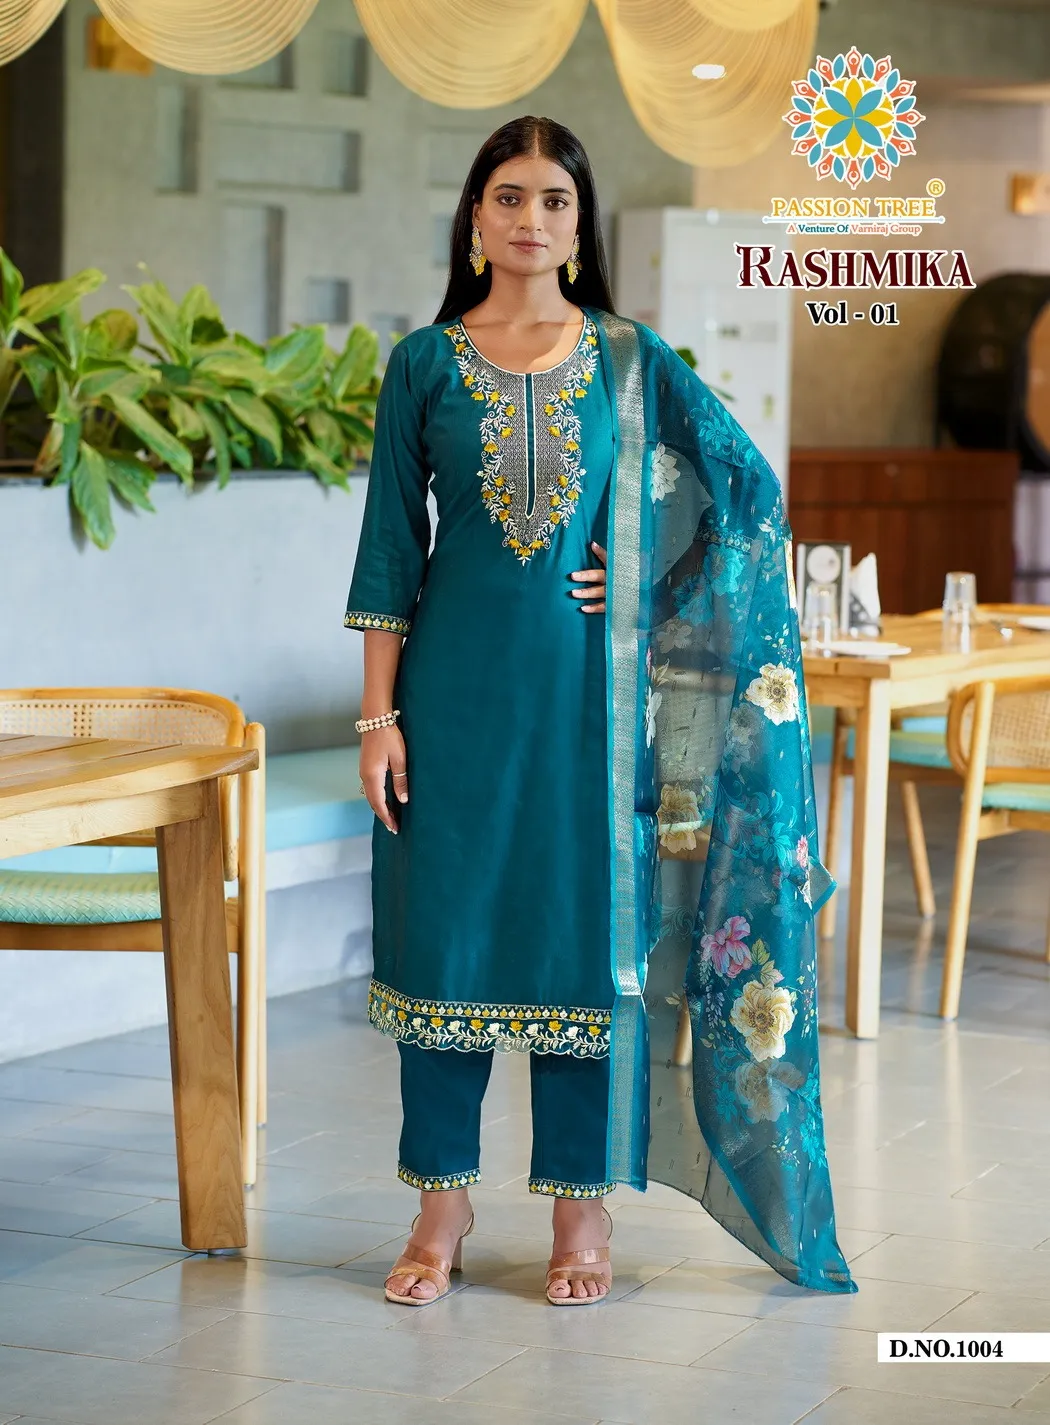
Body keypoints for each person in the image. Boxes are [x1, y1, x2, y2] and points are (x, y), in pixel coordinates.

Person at [345, 115, 854, 1307]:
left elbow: (744, 495)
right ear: (475, 218)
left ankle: (582, 1212)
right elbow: (388, 557)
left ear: (581, 227)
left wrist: (646, 580)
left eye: (555, 201)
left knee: (585, 948)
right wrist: (379, 719)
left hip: (593, 705)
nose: (532, 218)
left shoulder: (630, 359)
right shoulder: (422, 364)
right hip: (452, 699)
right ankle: (441, 1208)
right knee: (443, 940)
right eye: (510, 196)